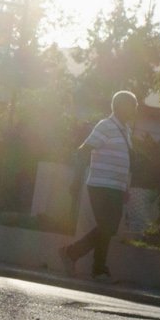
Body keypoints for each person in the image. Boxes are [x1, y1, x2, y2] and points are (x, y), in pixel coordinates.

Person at [61, 89, 140, 280]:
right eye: (132, 105)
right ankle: (83, 260)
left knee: (108, 228)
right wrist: (76, 179)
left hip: (116, 187)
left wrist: (125, 187)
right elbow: (83, 151)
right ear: (120, 106)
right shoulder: (105, 126)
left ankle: (90, 264)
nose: (135, 109)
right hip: (100, 184)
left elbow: (125, 162)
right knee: (107, 226)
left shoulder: (126, 130)